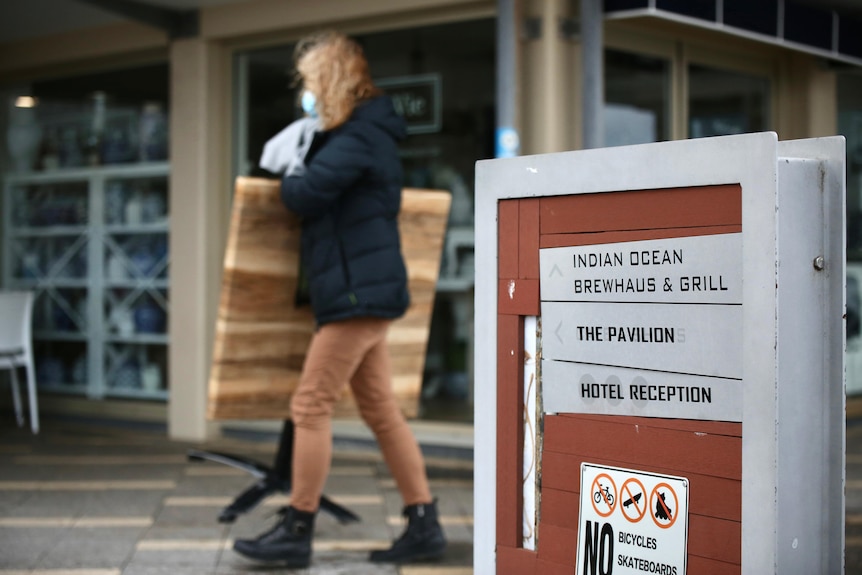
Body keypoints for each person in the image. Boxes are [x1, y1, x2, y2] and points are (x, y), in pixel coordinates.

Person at [232, 30, 446, 568]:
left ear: (329, 80)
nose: (304, 92)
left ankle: (297, 527)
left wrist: (290, 169)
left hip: (357, 295)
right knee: (381, 412)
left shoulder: (358, 137)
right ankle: (424, 523)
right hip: (361, 292)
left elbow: (304, 192)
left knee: (310, 405)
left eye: (309, 82)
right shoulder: (357, 134)